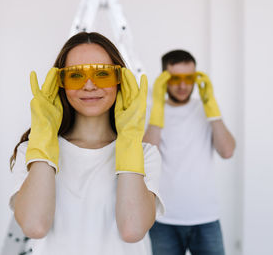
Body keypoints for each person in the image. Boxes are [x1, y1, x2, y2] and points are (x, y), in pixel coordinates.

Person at [9, 32, 164, 255]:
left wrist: (129, 139)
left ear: (121, 80)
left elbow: (132, 229)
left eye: (102, 74)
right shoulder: (31, 151)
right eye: (76, 76)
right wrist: (44, 135)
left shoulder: (145, 154)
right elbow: (35, 225)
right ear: (59, 83)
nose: (89, 86)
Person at [144, 50, 236, 255]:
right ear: (163, 78)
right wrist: (158, 109)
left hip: (205, 217)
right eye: (175, 78)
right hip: (163, 219)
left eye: (189, 78)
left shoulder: (205, 109)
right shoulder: (151, 111)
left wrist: (211, 108)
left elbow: (227, 151)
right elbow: (147, 155)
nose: (183, 85)